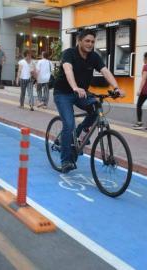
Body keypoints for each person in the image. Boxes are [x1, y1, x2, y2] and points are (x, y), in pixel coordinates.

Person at [53, 29, 124, 173]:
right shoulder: (69, 53)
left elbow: (105, 71)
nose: (90, 44)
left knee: (96, 110)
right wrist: (74, 87)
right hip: (63, 93)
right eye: (87, 41)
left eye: (92, 41)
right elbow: (68, 70)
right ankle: (66, 160)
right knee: (69, 124)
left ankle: (77, 135)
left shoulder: (94, 57)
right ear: (79, 41)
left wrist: (116, 88)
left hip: (81, 93)